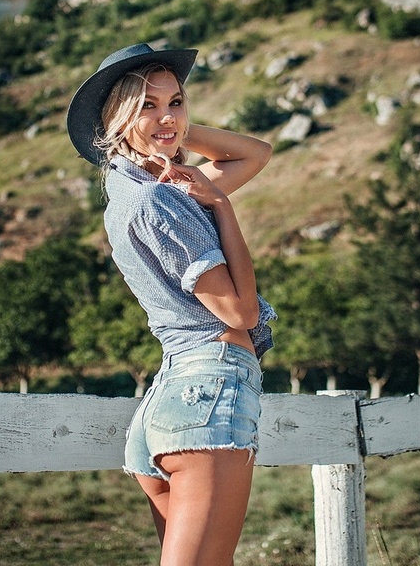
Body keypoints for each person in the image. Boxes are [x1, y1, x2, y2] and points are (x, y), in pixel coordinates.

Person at [66, 42, 276, 566]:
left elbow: (254, 152)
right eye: (146, 106)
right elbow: (239, 314)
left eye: (176, 102)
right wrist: (222, 205)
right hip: (208, 389)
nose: (168, 116)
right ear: (115, 120)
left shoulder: (136, 192)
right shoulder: (162, 200)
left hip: (172, 398)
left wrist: (166, 130)